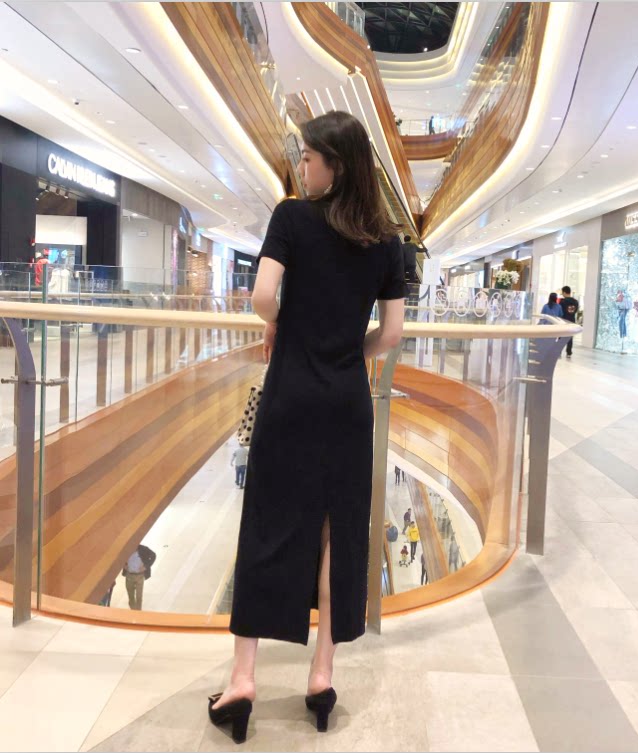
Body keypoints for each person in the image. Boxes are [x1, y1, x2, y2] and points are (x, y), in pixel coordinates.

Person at [210, 111, 406, 741]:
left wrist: (281, 324)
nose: (300, 167)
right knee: (336, 533)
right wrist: (349, 351)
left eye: (307, 157)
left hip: (290, 394)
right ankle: (321, 677)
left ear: (335, 165)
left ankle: (243, 680)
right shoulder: (388, 242)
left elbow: (263, 297)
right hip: (347, 401)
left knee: (267, 523)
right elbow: (392, 335)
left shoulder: (292, 218)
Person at [122, 544, 156, 611]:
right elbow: (119, 557)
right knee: (131, 596)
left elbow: (153, 556)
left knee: (139, 596)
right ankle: (133, 610)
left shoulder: (143, 549)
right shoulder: (125, 550)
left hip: (140, 576)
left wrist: (146, 566)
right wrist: (123, 565)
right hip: (129, 576)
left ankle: (138, 611)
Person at [559, 286, 580, 357]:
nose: (562, 294)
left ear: (564, 292)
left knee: (561, 336)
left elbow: (560, 311)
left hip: (563, 320)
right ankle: (569, 352)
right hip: (572, 320)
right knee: (570, 337)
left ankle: (559, 351)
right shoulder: (576, 302)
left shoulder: (562, 301)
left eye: (562, 292)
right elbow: (576, 311)